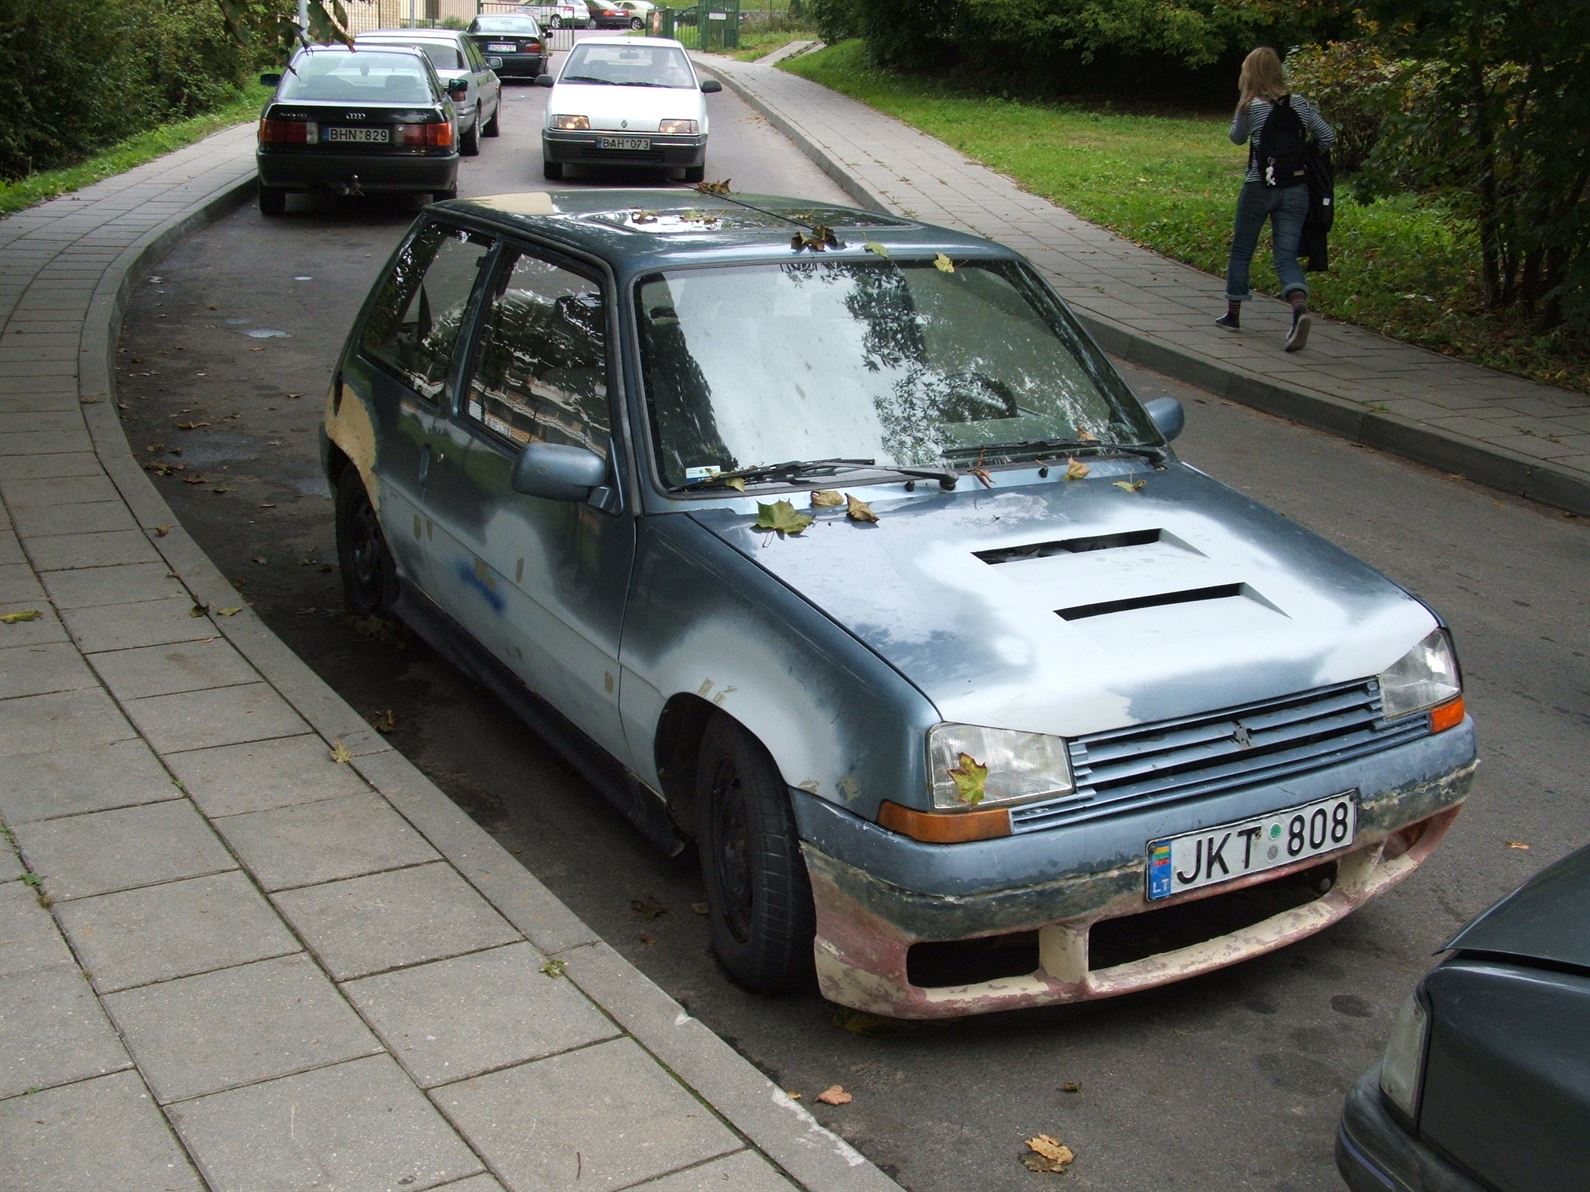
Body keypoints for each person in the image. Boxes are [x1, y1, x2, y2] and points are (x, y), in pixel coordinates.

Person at [1217, 47, 1335, 352]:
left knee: (1242, 249)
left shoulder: (1250, 106)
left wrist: (1241, 106)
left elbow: (1236, 138)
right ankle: (1298, 307)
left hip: (1259, 185)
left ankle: (1233, 315)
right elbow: (1327, 136)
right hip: (1296, 188)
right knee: (1286, 255)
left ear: (1250, 73)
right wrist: (1304, 158)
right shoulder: (1299, 103)